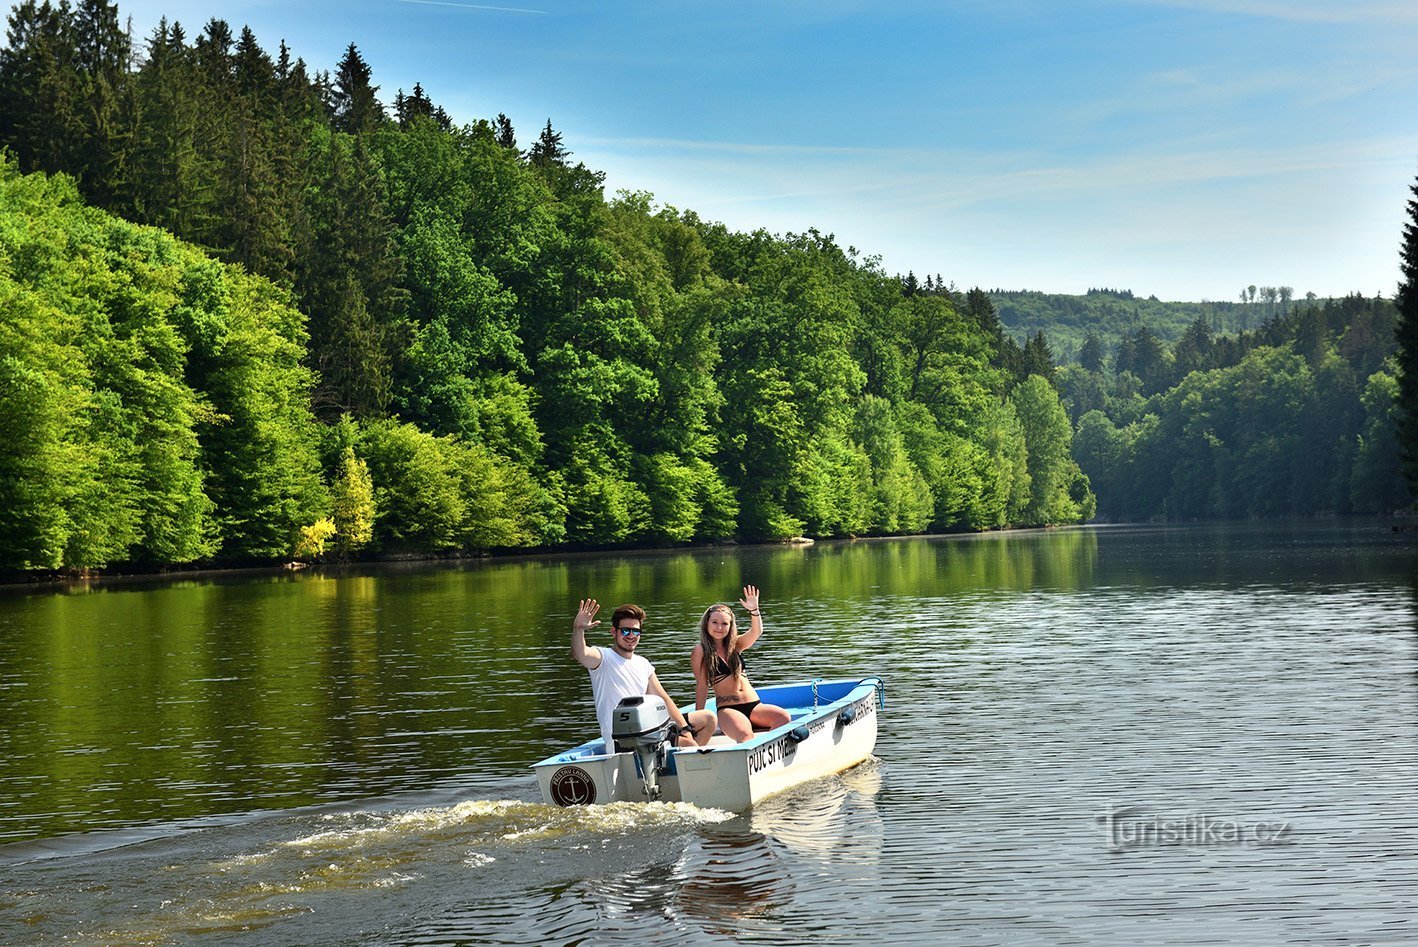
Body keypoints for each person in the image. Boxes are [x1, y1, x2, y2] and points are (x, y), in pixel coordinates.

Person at [571, 598, 715, 753]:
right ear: (614, 632)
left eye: (636, 631)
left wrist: (685, 729)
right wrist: (578, 629)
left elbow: (664, 699)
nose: (631, 636)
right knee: (690, 746)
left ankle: (673, 769)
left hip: (650, 728)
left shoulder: (643, 663)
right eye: (626, 631)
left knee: (708, 719)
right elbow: (580, 653)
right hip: (624, 738)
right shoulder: (603, 658)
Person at [691, 585, 792, 742]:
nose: (719, 627)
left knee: (783, 718)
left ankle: (769, 752)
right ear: (707, 624)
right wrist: (698, 718)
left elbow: (756, 632)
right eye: (715, 622)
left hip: (755, 705)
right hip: (728, 709)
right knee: (745, 735)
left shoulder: (735, 645)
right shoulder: (701, 651)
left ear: (731, 626)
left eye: (725, 624)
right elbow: (702, 686)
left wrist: (754, 611)